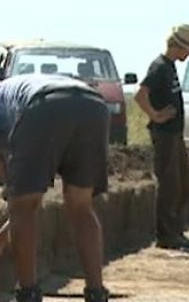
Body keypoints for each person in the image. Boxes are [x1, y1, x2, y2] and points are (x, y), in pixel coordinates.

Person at [0, 73, 112, 302]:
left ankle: (28, 293)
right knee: (81, 205)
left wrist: (14, 198)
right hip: (94, 106)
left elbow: (14, 186)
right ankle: (96, 292)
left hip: (44, 107)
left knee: (22, 206)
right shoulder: (16, 88)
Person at [134, 23, 189, 250]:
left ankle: (175, 231)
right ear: (177, 45)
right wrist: (155, 115)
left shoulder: (170, 67)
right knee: (169, 185)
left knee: (183, 184)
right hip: (164, 135)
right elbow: (140, 95)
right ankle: (166, 235)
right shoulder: (159, 67)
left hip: (175, 134)